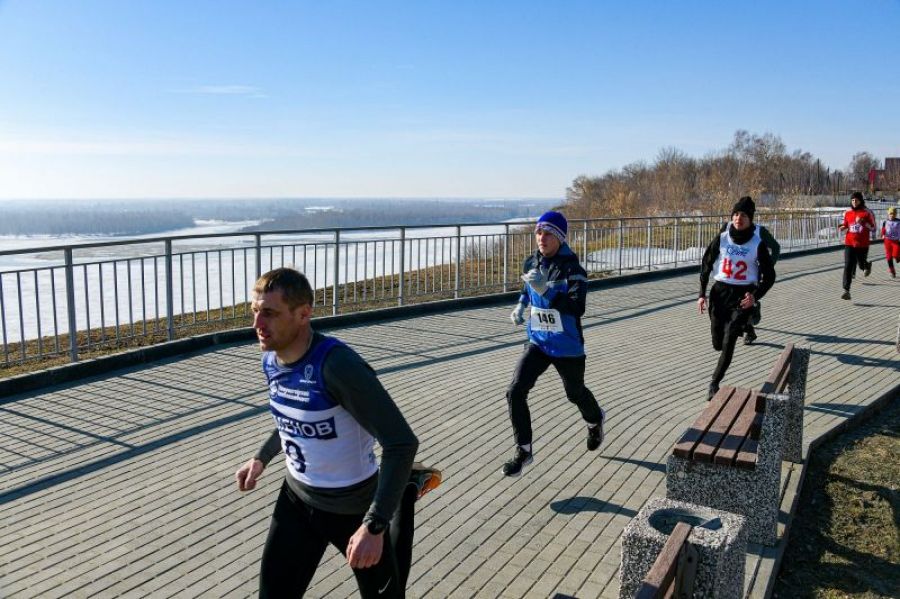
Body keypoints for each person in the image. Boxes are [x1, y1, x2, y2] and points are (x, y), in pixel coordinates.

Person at [234, 267, 440, 598]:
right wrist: (261, 458)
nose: (257, 325)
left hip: (354, 507)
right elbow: (291, 415)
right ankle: (400, 490)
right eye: (255, 311)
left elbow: (401, 442)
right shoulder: (271, 359)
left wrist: (374, 525)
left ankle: (400, 494)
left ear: (303, 314)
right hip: (297, 499)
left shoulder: (337, 366)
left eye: (269, 313)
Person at [503, 210, 605, 476]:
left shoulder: (574, 270)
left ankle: (595, 420)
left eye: (547, 233)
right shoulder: (531, 263)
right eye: (538, 232)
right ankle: (523, 451)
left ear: (559, 237)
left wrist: (546, 292)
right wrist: (520, 306)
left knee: (575, 393)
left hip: (567, 346)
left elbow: (576, 308)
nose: (541, 238)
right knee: (515, 391)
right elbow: (526, 288)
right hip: (538, 341)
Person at [698, 197, 776, 401]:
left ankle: (714, 383)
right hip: (720, 293)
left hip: (742, 296)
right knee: (718, 343)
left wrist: (755, 296)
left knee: (730, 337)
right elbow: (706, 264)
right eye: (735, 214)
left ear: (750, 219)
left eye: (743, 215)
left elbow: (770, 276)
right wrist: (701, 294)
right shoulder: (722, 238)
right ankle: (747, 324)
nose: (738, 218)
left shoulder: (757, 243)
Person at [717, 220, 781, 345]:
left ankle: (749, 331)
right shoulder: (727, 227)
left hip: (750, 275)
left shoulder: (759, 231)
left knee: (741, 304)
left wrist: (767, 266)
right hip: (730, 274)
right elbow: (718, 244)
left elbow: (776, 247)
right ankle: (752, 315)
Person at [838, 192, 876, 300]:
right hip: (849, 243)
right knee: (848, 265)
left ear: (861, 201)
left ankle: (866, 266)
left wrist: (863, 222)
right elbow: (846, 224)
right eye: (853, 200)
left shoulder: (867, 212)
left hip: (862, 244)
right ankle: (846, 290)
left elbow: (873, 227)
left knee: (860, 265)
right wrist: (842, 227)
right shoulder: (848, 212)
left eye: (856, 200)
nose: (854, 202)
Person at [881, 206, 899, 278]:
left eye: (893, 214)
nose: (892, 215)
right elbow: (883, 230)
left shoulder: (898, 221)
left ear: (895, 214)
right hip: (887, 241)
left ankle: (897, 257)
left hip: (896, 241)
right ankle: (892, 271)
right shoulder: (885, 222)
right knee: (888, 256)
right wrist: (883, 234)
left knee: (895, 254)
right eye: (890, 214)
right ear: (888, 214)